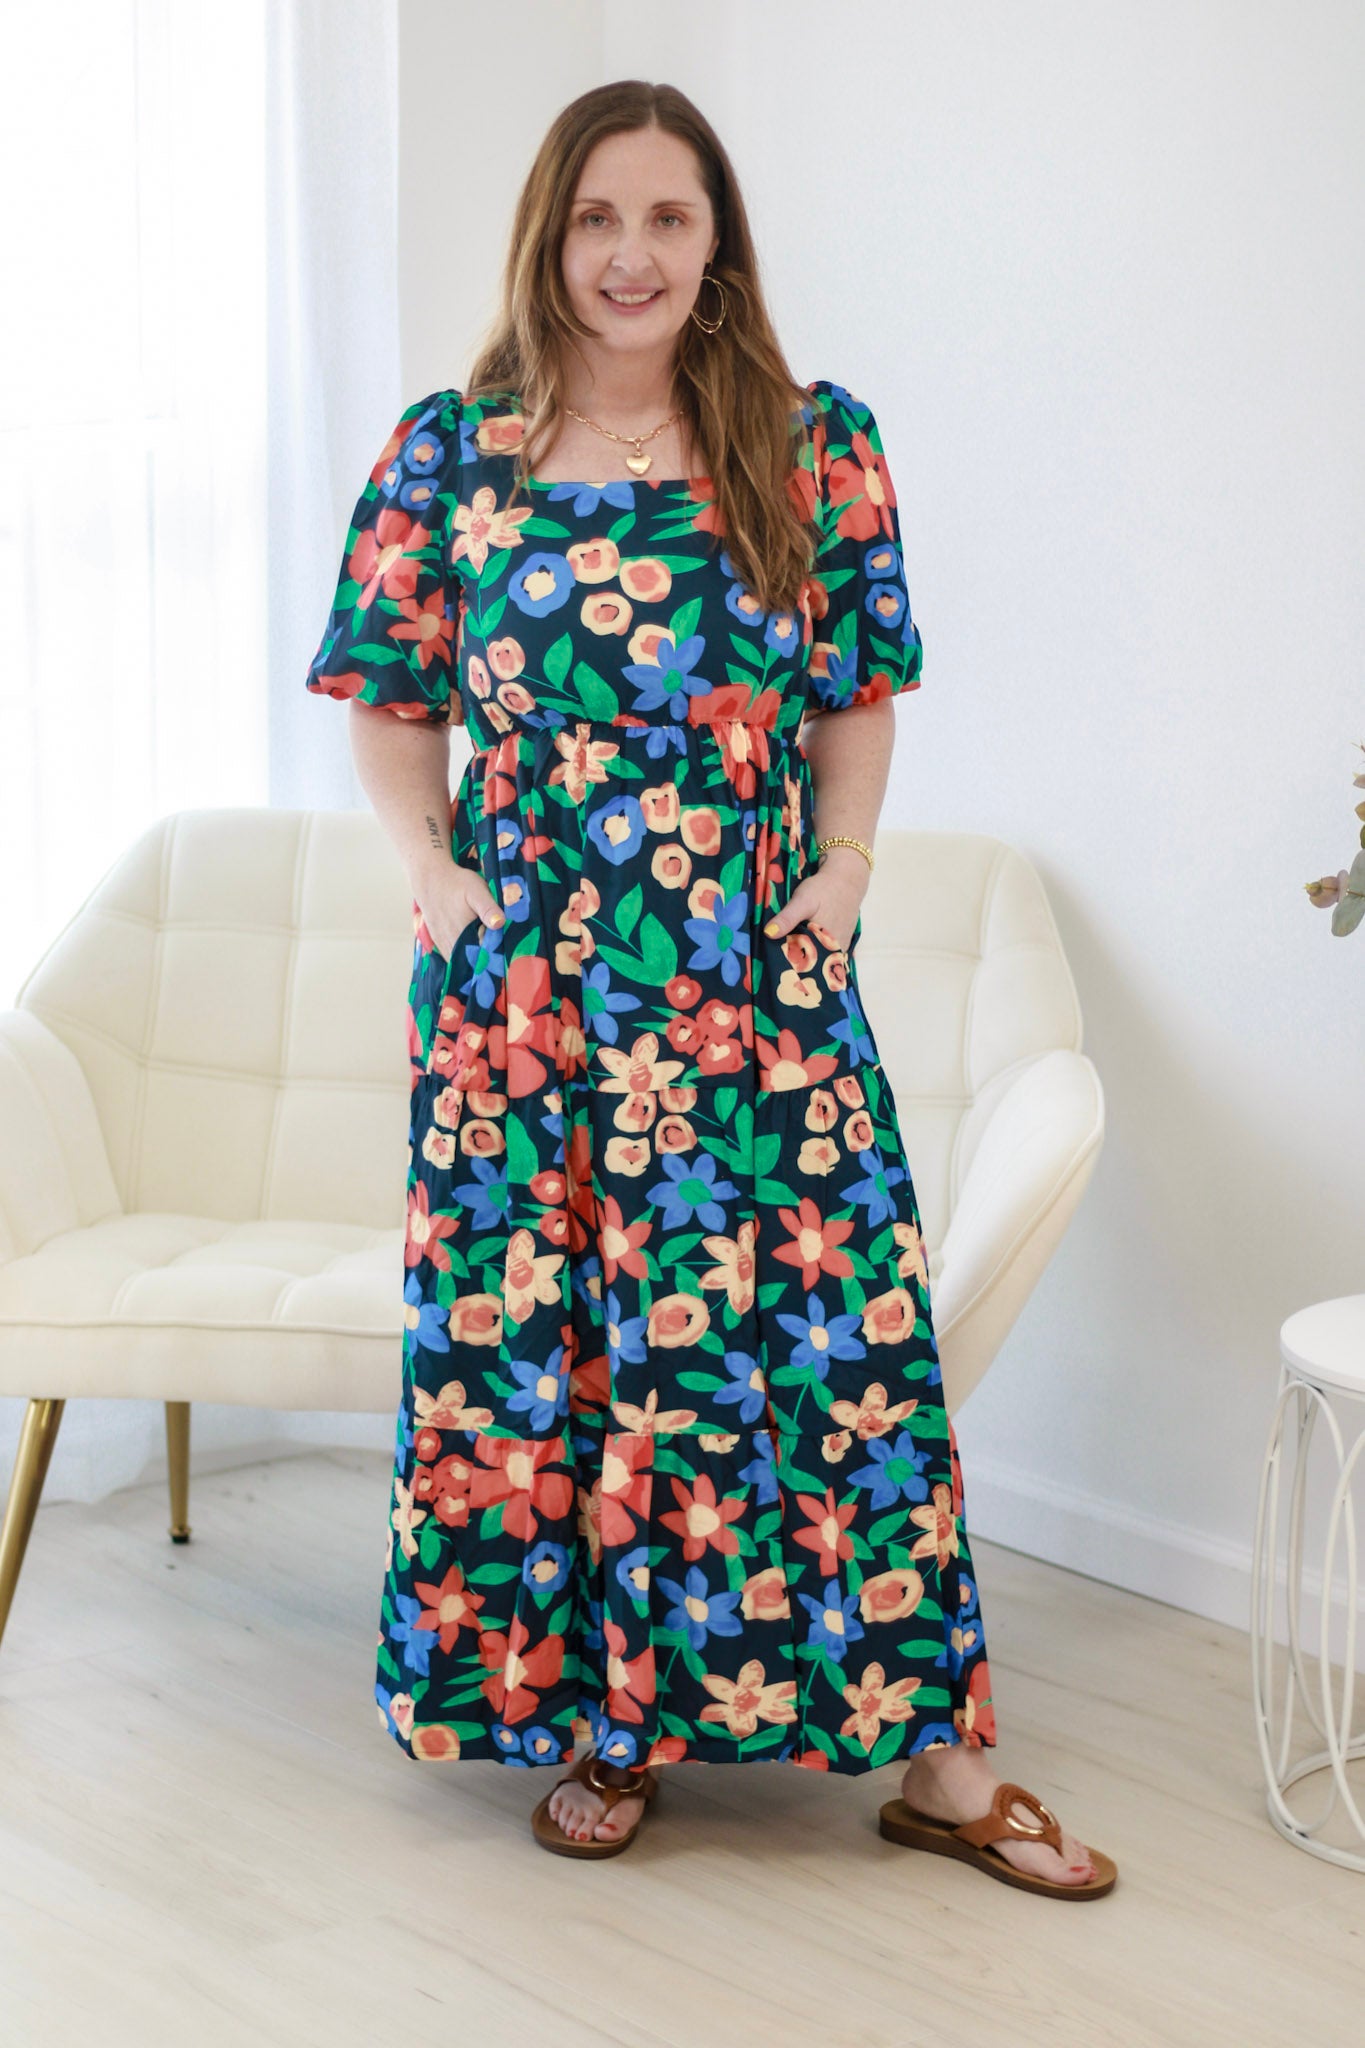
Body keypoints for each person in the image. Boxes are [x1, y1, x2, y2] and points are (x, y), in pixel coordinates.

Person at [304, 80, 1113, 1898]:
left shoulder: (812, 443)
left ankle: (942, 1762)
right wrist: (436, 881)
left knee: (839, 1353)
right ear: (550, 236)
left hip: (754, 973)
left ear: (716, 243)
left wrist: (842, 873)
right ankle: (611, 1726)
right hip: (526, 992)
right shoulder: (450, 455)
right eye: (598, 218)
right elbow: (390, 700)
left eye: (669, 218)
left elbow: (855, 692)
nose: (631, 255)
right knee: (566, 1356)